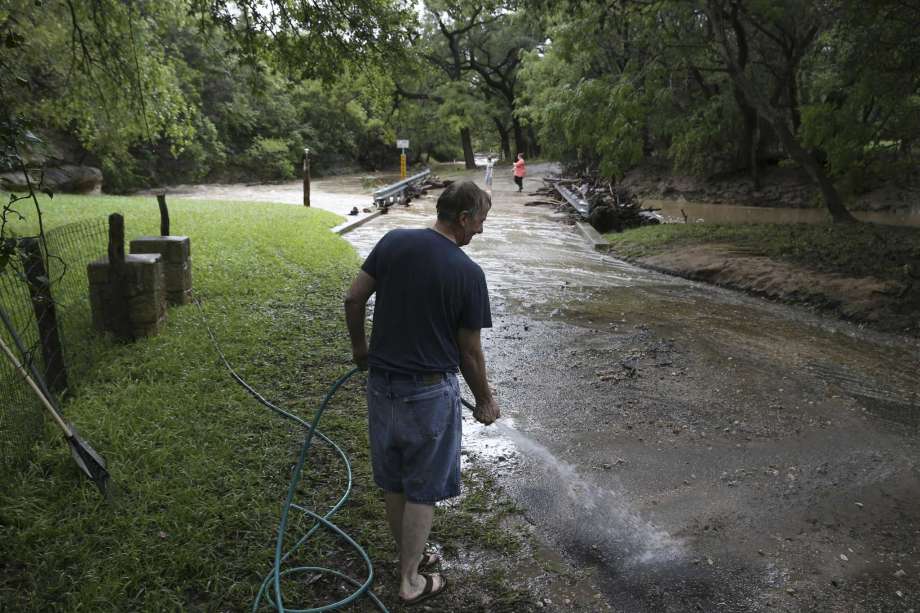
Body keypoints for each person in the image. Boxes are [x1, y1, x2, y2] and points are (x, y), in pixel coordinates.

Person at [344, 181, 500, 606]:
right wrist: (485, 400)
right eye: (481, 222)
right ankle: (410, 580)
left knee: (395, 482)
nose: (481, 232)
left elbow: (354, 299)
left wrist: (362, 351)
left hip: (381, 390)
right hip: (429, 397)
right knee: (422, 489)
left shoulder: (393, 242)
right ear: (464, 218)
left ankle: (408, 558)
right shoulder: (469, 274)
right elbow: (469, 354)